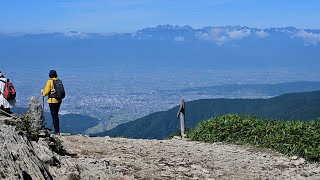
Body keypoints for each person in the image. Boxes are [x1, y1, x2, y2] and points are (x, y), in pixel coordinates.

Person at [41, 70, 63, 134]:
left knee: (54, 116)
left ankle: (56, 131)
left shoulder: (50, 81)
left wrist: (43, 93)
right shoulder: (59, 81)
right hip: (59, 100)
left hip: (52, 101)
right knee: (56, 115)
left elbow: (46, 92)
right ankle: (57, 130)